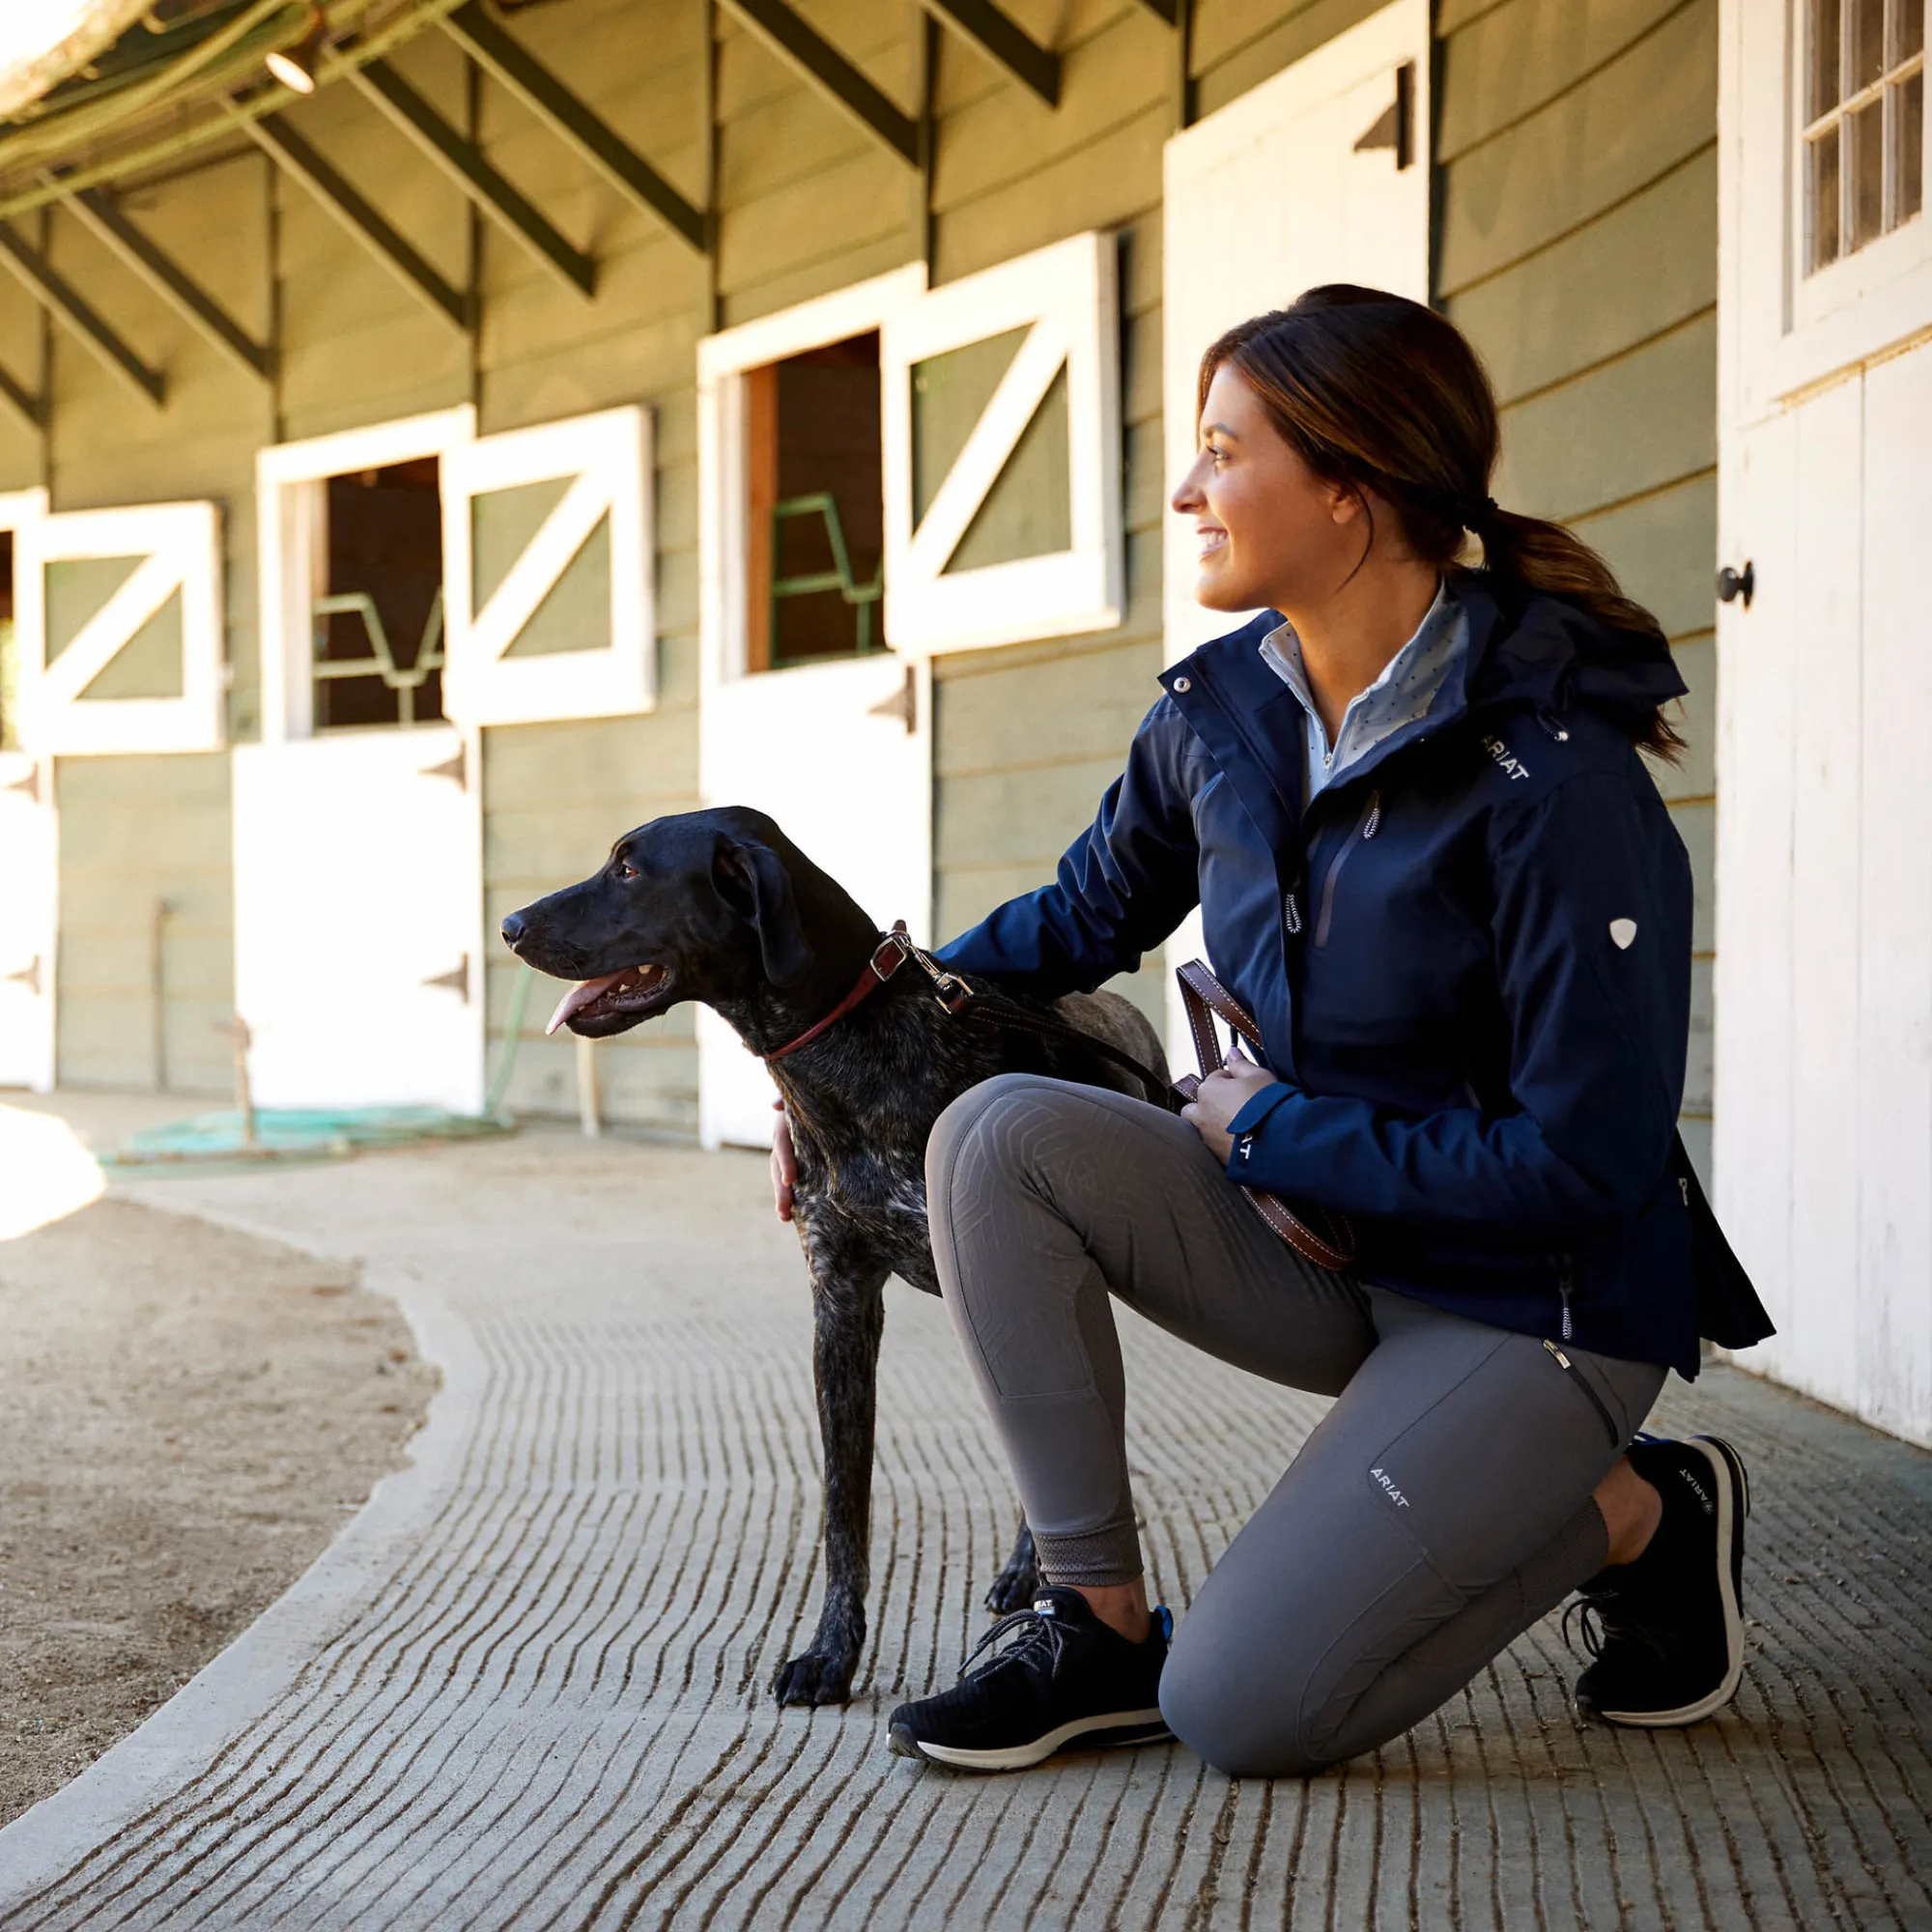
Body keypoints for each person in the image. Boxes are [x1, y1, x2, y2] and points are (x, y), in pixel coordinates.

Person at [772, 285, 1774, 1777]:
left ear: (1350, 490)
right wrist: (829, 1069)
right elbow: (1078, 918)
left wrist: (1275, 1130)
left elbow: (1587, 1166)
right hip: (1321, 1236)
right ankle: (1094, 1620)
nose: (1187, 490)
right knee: (990, 1135)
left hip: (1533, 1303)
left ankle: (1637, 1511)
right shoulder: (1225, 712)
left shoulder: (1558, 783)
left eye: (1223, 452)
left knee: (1246, 1706)